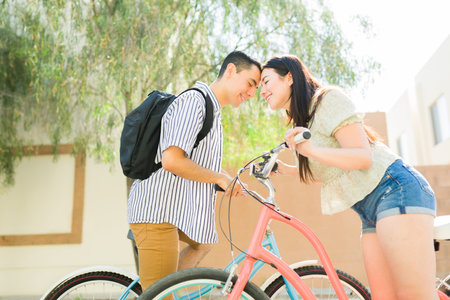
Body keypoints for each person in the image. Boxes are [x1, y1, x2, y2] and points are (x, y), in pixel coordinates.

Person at [260, 55, 438, 300]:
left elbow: (362, 157)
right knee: (383, 296)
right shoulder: (307, 118)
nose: (262, 90)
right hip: (370, 210)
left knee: (412, 295)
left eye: (266, 81)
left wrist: (310, 150)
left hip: (396, 190)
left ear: (289, 77)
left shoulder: (328, 100)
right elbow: (330, 170)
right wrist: (285, 169)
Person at [127, 51, 261, 290]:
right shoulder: (194, 102)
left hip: (176, 212)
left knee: (205, 240)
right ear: (230, 71)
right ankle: (158, 291)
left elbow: (195, 162)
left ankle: (160, 288)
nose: (252, 93)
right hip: (157, 213)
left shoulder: (213, 111)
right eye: (250, 83)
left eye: (256, 89)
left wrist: (224, 179)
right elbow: (172, 160)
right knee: (160, 295)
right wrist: (219, 176)